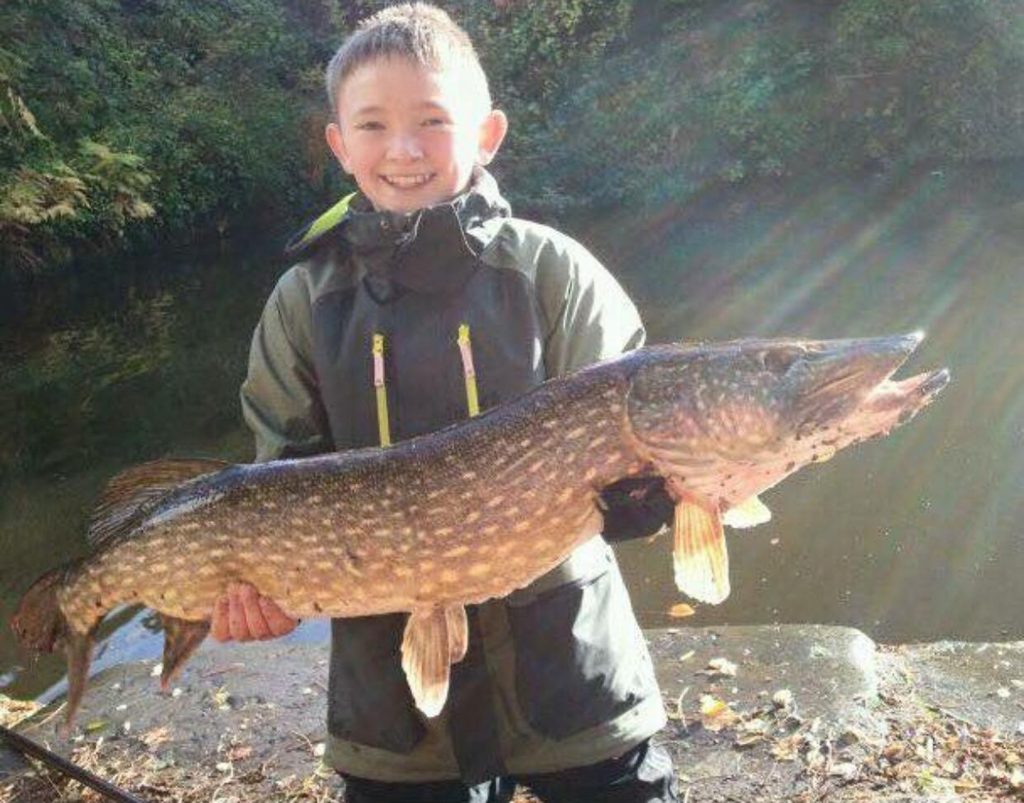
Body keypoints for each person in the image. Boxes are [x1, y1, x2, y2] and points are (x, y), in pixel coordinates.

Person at [212, 4, 678, 801]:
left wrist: (665, 490)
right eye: (374, 125)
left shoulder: (555, 273)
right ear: (339, 145)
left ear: (486, 134)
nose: (404, 149)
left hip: (573, 676)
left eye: (432, 120)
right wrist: (263, 588)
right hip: (395, 718)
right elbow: (280, 485)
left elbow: (634, 457)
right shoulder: (304, 301)